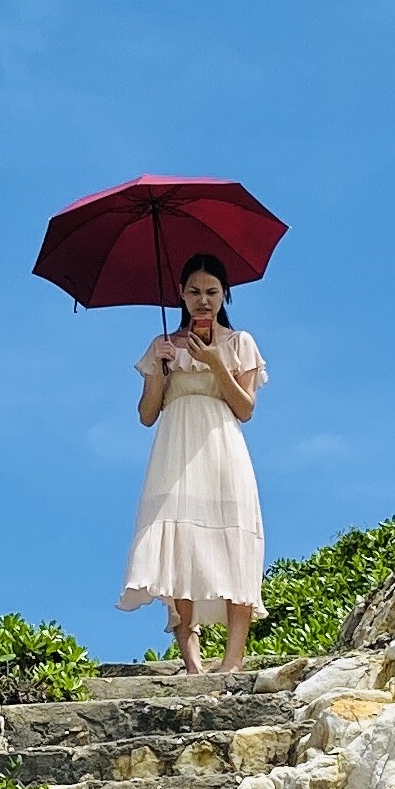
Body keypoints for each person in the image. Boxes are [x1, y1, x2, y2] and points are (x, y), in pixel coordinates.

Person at [119, 254, 266, 671]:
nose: (203, 301)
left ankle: (232, 658)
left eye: (212, 292)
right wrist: (162, 372)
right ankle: (191, 660)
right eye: (195, 292)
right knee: (178, 541)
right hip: (174, 448)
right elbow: (147, 415)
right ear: (181, 295)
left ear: (225, 295)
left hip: (221, 446)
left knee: (232, 540)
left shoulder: (240, 344)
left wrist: (217, 364)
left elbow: (245, 408)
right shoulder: (163, 345)